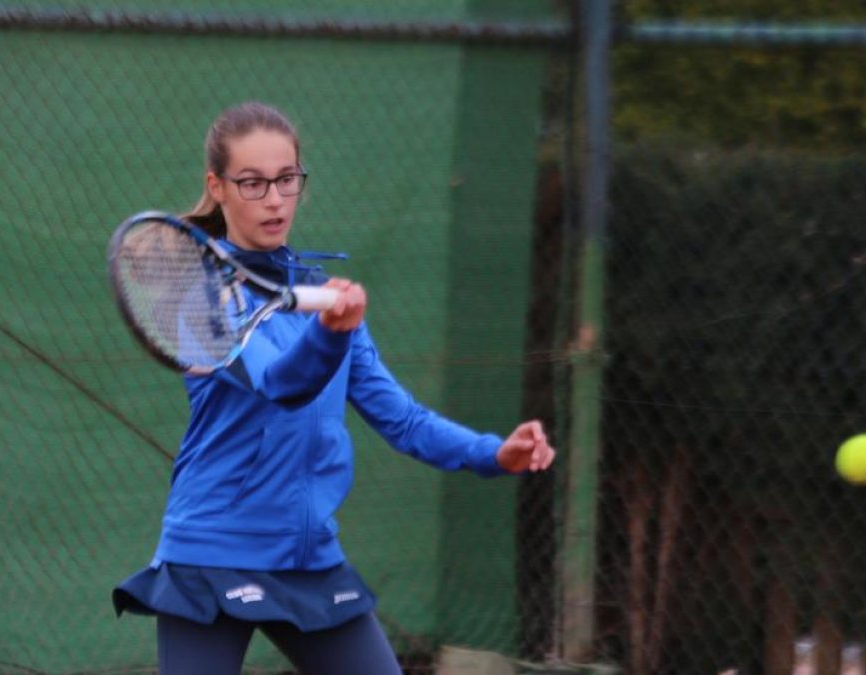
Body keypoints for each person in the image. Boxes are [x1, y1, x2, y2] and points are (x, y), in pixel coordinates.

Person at [112, 101, 556, 675]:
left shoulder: (319, 295)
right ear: (217, 187)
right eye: (251, 183)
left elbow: (403, 420)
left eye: (286, 179)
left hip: (309, 557)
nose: (274, 199)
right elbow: (281, 383)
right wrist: (328, 333)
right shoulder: (203, 302)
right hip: (212, 555)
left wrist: (493, 452)